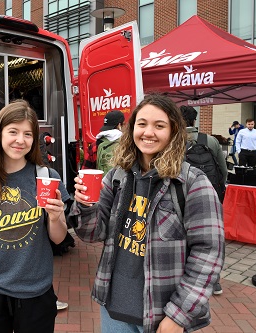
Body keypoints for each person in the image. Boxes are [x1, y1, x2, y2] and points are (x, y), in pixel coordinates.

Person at [70, 94, 224, 333]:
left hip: (162, 314)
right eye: (142, 124)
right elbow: (93, 234)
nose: (148, 132)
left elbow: (208, 254)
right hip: (114, 308)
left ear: (173, 131)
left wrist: (178, 315)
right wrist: (86, 205)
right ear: (132, 129)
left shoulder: (192, 183)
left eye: (159, 125)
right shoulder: (117, 177)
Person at [0, 100, 70, 333]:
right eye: (13, 131)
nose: (20, 140)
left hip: (36, 294)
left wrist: (56, 217)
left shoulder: (47, 177)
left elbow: (58, 239)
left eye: (28, 134)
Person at [181, 105, 227, 296]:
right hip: (212, 194)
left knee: (186, 235)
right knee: (211, 237)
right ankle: (214, 281)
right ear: (194, 120)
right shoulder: (210, 141)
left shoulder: (176, 141)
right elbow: (223, 170)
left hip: (186, 194)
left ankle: (188, 276)